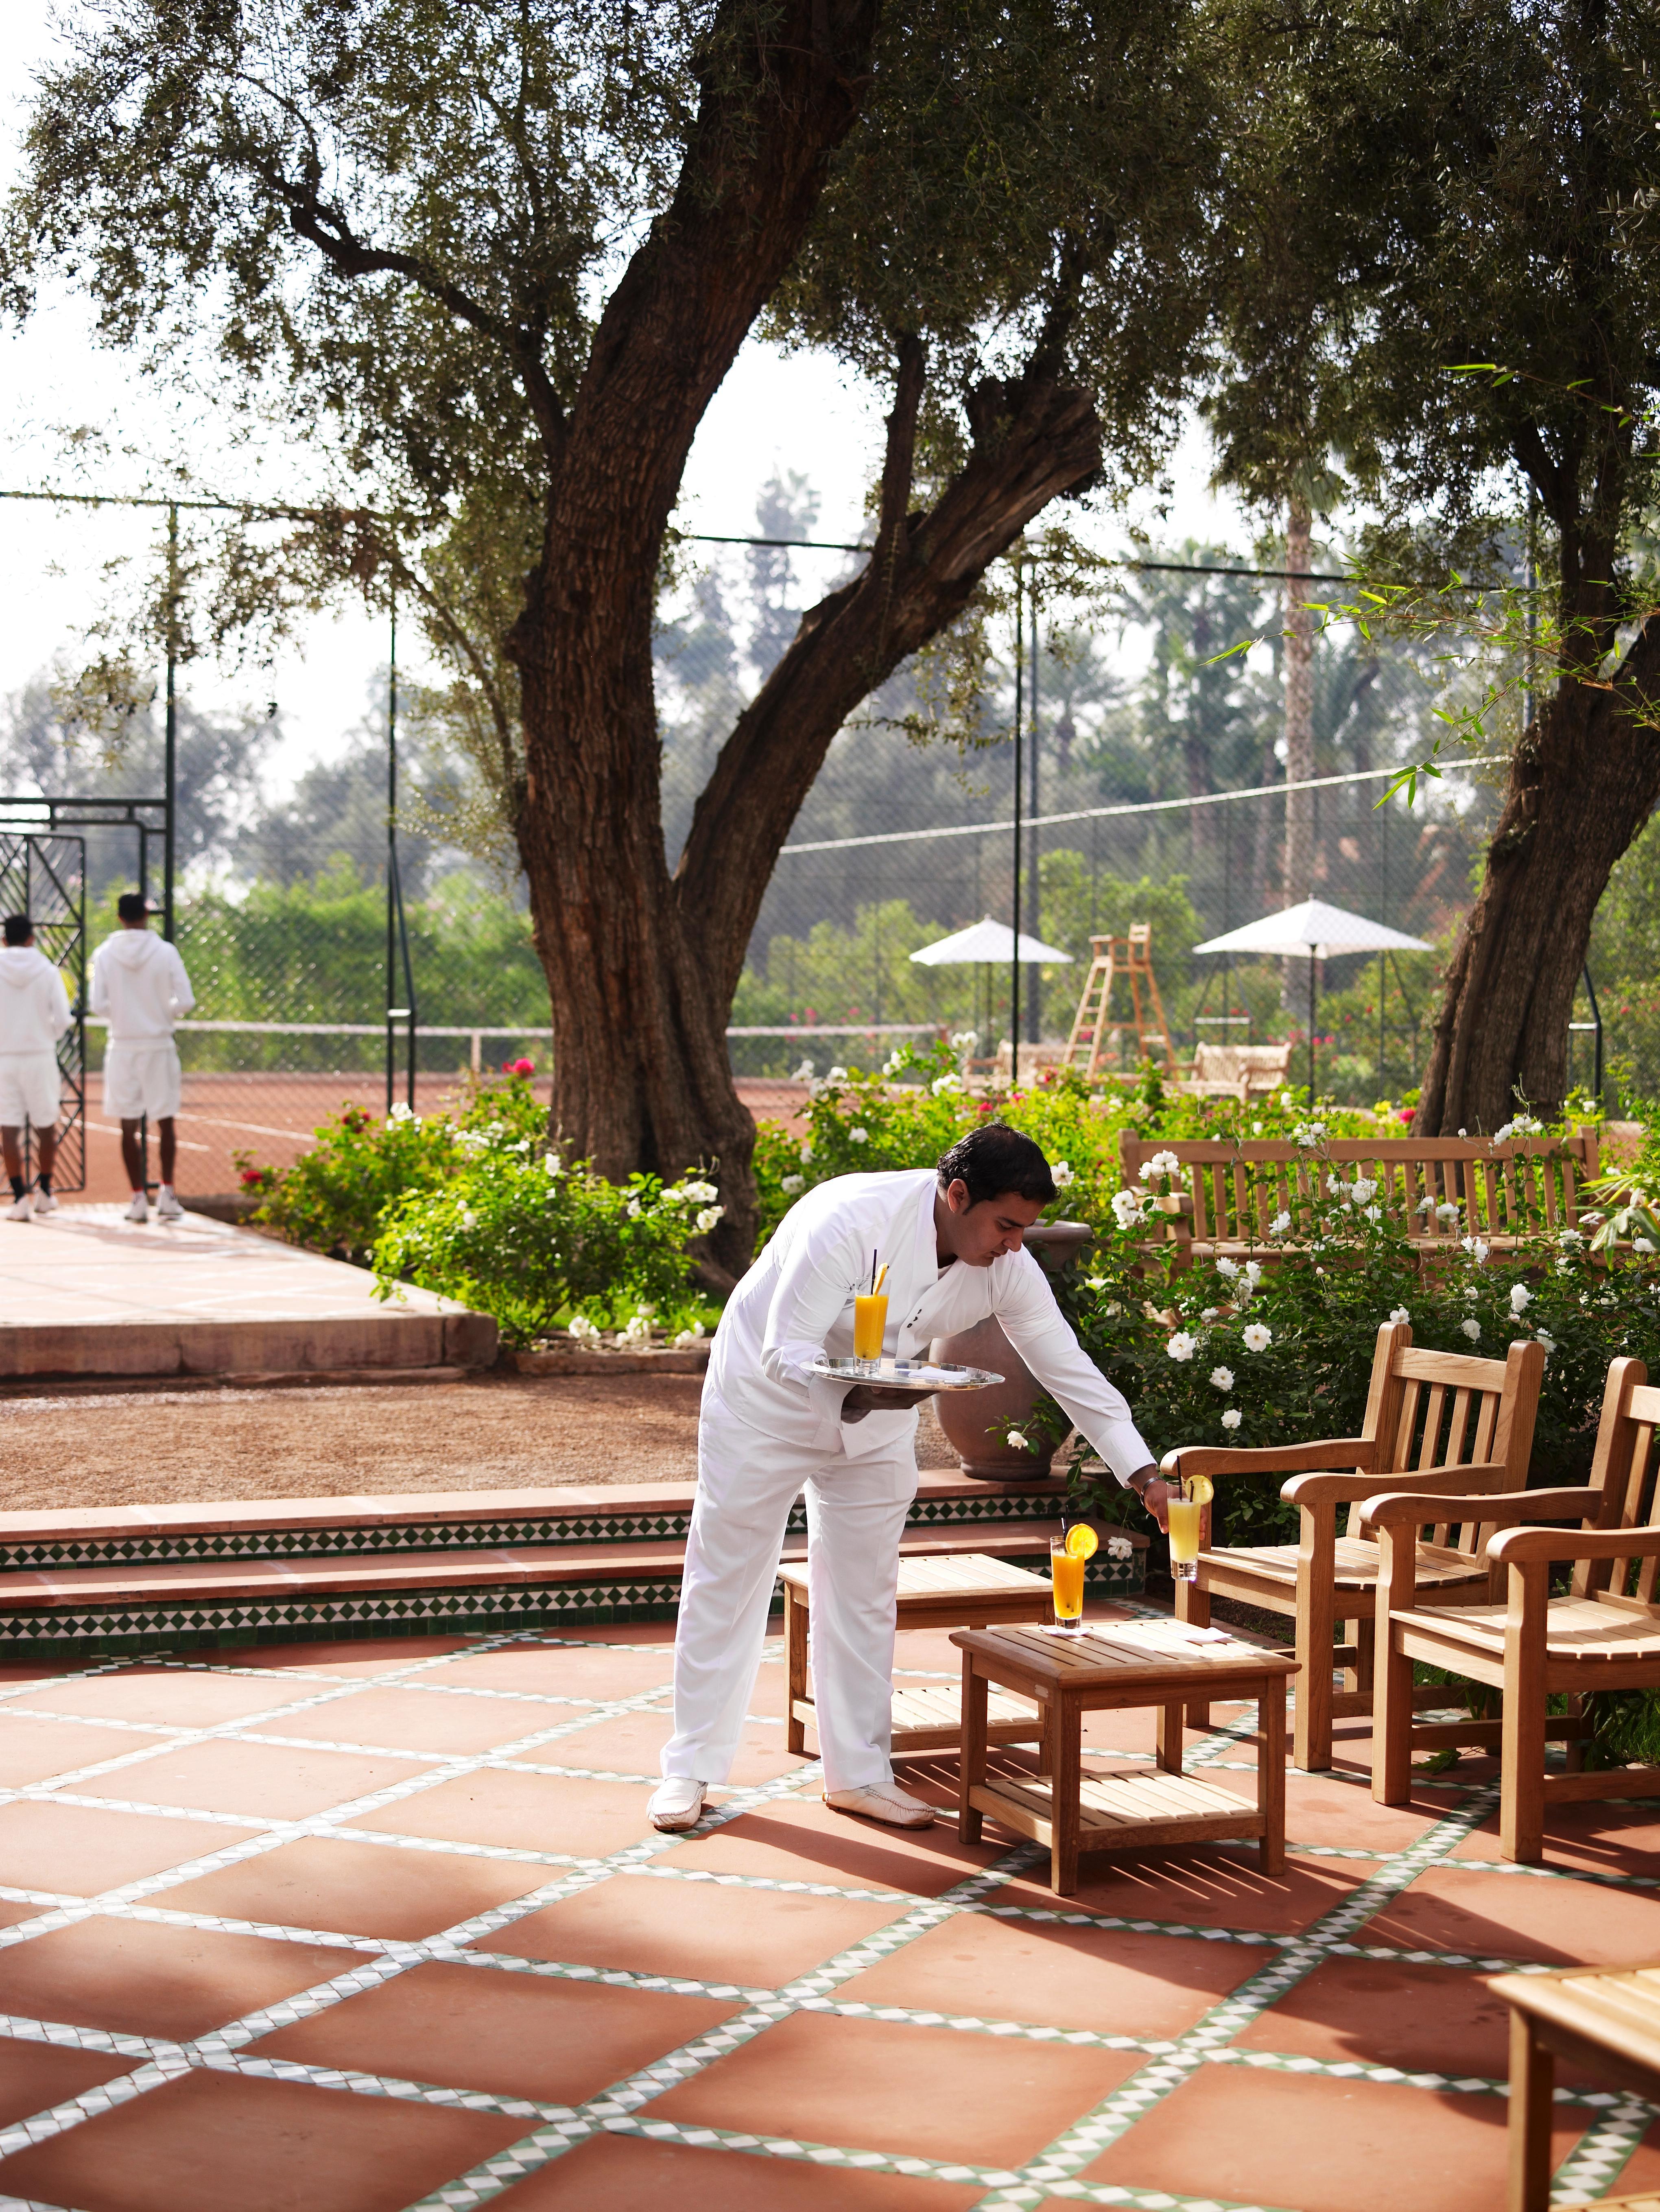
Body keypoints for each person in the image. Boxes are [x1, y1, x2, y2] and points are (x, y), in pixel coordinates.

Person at [648, 1122, 1177, 1835]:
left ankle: (860, 1775)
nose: (1015, 1243)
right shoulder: (846, 1220)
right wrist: (858, 1393)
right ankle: (689, 1769)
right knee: (729, 1576)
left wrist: (1145, 1475)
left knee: (865, 1590)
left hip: (883, 1417)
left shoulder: (1008, 1266)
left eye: (1025, 1228)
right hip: (764, 1406)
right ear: (957, 1195)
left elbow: (1068, 1369)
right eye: (1006, 1225)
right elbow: (784, 1349)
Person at [89, 893, 195, 1224]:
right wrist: (164, 1010)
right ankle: (168, 1193)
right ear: (147, 915)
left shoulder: (105, 953)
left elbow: (97, 1004)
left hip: (122, 1045)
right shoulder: (165, 952)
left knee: (127, 1124)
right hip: (158, 1044)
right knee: (165, 1121)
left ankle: (137, 1198)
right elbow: (186, 1000)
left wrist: (122, 1015)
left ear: (119, 918)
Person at [0, 914, 70, 1222]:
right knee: (46, 1125)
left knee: (9, 1129)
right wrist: (45, 1036)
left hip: (4, 1057)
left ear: (5, 939)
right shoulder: (47, 970)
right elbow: (64, 1019)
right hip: (40, 1056)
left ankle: (19, 1198)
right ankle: (45, 1191)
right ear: (31, 938)